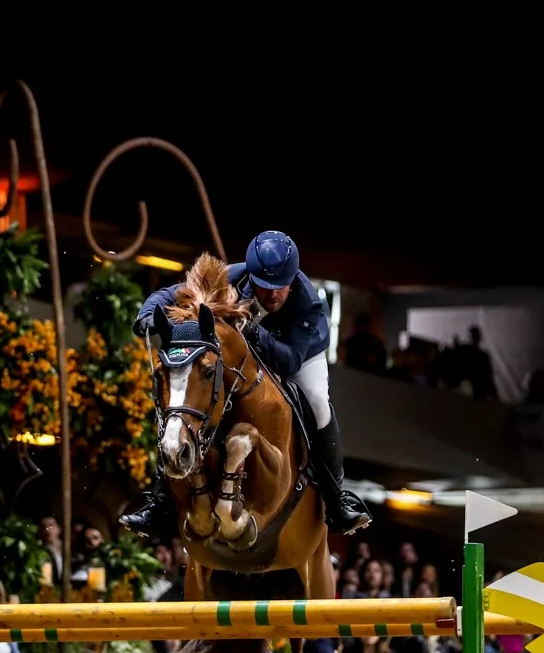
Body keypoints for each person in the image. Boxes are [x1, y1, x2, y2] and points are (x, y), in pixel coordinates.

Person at [119, 230, 372, 539]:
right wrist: (147, 314)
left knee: (318, 403)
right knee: (190, 401)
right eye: (265, 287)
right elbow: (170, 293)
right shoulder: (233, 277)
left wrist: (253, 331)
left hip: (300, 353)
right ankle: (160, 500)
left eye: (280, 287)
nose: (273, 295)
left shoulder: (308, 304)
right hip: (247, 349)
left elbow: (288, 362)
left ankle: (336, 499)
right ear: (252, 276)